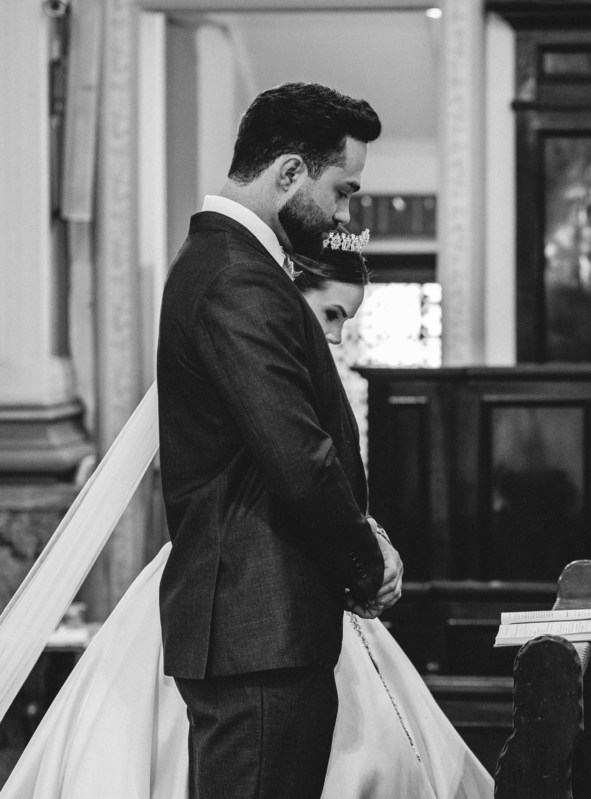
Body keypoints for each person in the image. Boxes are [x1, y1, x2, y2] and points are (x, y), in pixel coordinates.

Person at [0, 240, 495, 799]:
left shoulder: (291, 368)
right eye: (331, 313)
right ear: (290, 293)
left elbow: (321, 484)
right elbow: (293, 479)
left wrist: (372, 538)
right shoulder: (248, 350)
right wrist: (367, 563)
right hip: (243, 596)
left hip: (298, 595)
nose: (335, 336)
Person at [155, 82, 402, 798]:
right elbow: (299, 459)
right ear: (290, 172)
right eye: (342, 191)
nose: (344, 215)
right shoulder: (237, 277)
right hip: (257, 635)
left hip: (260, 634)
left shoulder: (232, 266)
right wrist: (367, 564)